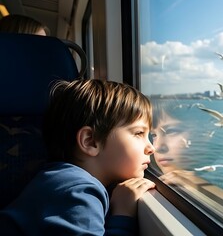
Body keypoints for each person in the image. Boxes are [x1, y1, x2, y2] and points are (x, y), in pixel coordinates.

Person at [0, 79, 155, 235]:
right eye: (139, 133)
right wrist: (123, 215)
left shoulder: (61, 179)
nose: (151, 148)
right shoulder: (78, 192)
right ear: (91, 141)